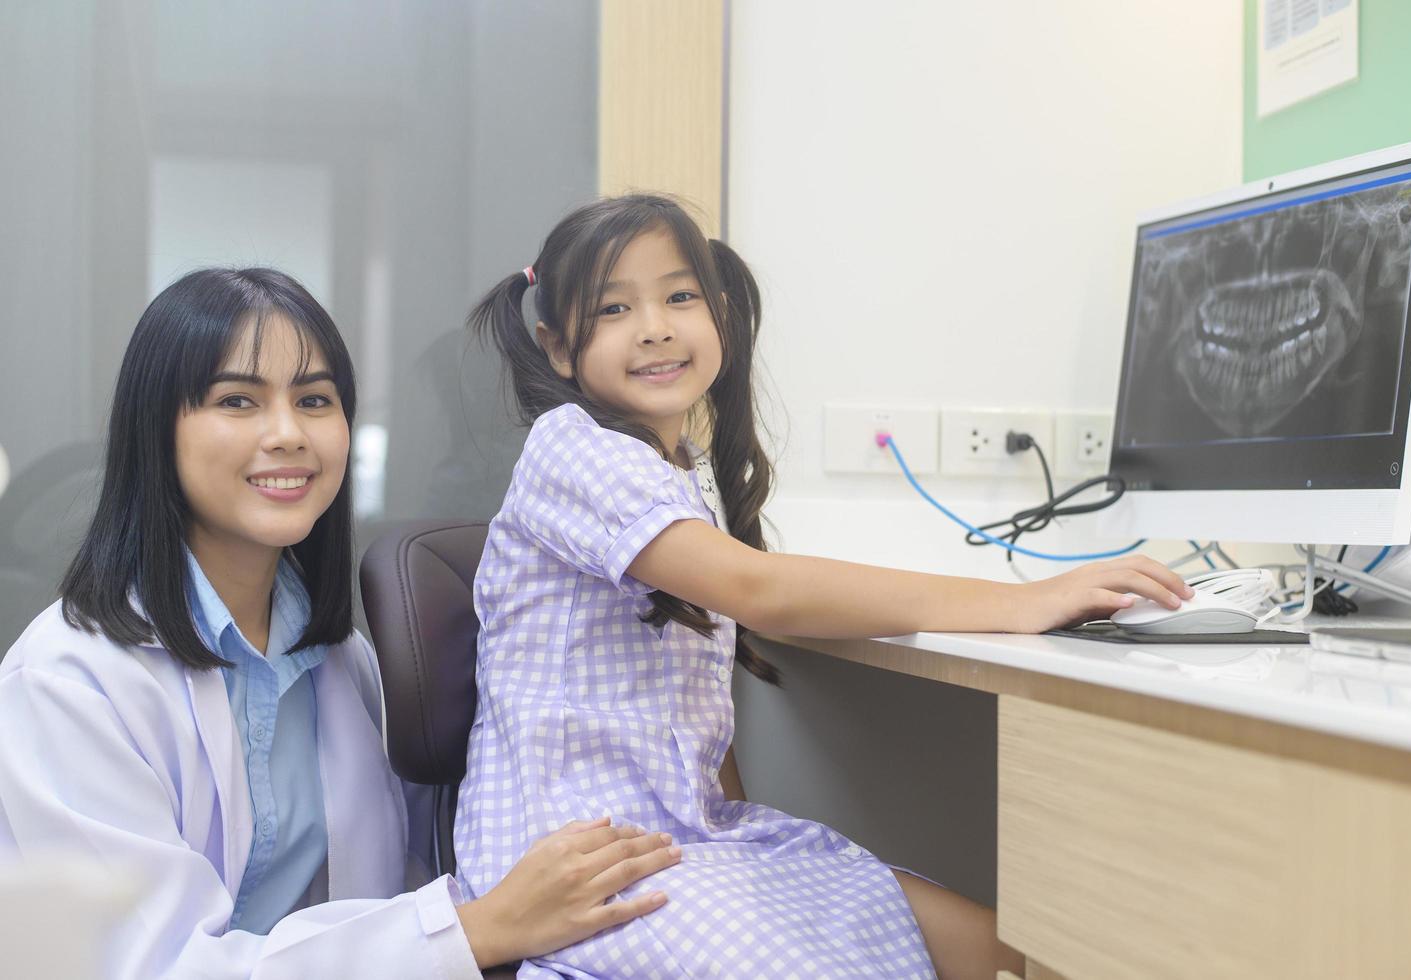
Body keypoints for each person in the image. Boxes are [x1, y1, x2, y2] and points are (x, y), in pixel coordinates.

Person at [457, 195, 1195, 978]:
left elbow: (693, 708)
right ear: (558, 348)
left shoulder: (684, 470)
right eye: (614, 308)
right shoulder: (570, 449)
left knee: (1010, 951)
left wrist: (737, 831)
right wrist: (1023, 600)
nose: (655, 326)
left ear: (722, 316)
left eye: (679, 296)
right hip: (572, 863)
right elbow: (762, 592)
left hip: (685, 835)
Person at [0, 268, 680, 978]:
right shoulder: (66, 685)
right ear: (156, 429)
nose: (289, 433)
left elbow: (405, 882)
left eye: (315, 399)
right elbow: (157, 967)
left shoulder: (338, 660)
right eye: (237, 400)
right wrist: (476, 931)